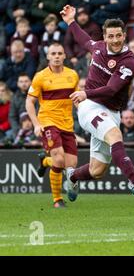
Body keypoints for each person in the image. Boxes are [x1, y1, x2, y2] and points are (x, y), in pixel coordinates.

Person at [60, 4, 134, 200]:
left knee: (97, 171)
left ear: (124, 35)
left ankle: (72, 176)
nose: (114, 40)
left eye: (118, 36)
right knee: (115, 135)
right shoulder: (98, 48)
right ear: (104, 37)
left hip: (109, 109)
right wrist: (71, 21)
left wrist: (85, 93)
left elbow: (111, 89)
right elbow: (84, 40)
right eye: (110, 36)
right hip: (89, 107)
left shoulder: (129, 61)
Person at [25, 42, 79, 208]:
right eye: (53, 53)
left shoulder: (73, 75)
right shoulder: (40, 76)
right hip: (48, 121)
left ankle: (45, 162)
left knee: (70, 166)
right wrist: (36, 124)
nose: (56, 56)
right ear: (48, 56)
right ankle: (57, 199)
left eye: (59, 53)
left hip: (67, 124)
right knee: (59, 157)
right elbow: (29, 102)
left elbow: (77, 101)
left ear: (64, 56)